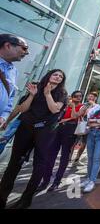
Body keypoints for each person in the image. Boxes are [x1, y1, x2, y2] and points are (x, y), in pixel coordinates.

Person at [0, 69, 67, 209]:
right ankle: (2, 196)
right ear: (49, 75)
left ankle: (25, 200)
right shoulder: (36, 86)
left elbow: (54, 109)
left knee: (39, 164)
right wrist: (31, 95)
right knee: (14, 163)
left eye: (61, 76)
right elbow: (22, 109)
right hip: (25, 128)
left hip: (45, 131)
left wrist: (48, 94)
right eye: (55, 74)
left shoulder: (61, 93)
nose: (58, 77)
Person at [38, 90, 87, 191]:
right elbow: (58, 116)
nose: (78, 98)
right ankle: (45, 180)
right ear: (72, 97)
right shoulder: (65, 105)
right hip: (59, 129)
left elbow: (74, 116)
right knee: (51, 155)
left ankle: (57, 181)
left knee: (64, 156)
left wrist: (73, 107)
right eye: (76, 96)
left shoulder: (83, 106)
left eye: (80, 96)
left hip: (71, 131)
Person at [0, 34, 28, 128]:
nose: (27, 52)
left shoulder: (14, 71)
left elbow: (10, 97)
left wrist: (3, 117)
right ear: (8, 45)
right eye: (24, 48)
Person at [72, 92, 100, 166]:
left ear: (95, 98)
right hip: (80, 125)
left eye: (92, 97)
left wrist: (92, 106)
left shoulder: (97, 106)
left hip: (89, 127)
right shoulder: (83, 105)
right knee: (74, 142)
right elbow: (78, 114)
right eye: (89, 96)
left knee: (84, 144)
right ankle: (69, 158)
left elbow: (96, 115)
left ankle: (76, 159)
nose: (90, 98)